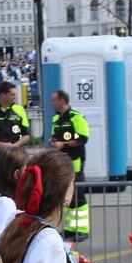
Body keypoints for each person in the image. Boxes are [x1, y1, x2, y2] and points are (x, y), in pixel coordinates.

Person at [49, 90, 91, 241]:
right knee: (67, 196)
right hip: (62, 163)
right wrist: (54, 141)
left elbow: (82, 138)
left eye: (53, 100)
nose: (51, 103)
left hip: (75, 162)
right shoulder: (56, 119)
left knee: (78, 196)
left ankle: (83, 229)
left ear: (61, 100)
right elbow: (56, 135)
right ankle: (70, 229)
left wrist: (64, 143)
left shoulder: (76, 117)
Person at [0, 80, 30, 167]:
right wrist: (3, 145)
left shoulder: (20, 110)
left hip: (16, 156)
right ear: (3, 95)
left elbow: (26, 135)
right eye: (12, 95)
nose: (15, 97)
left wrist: (14, 146)